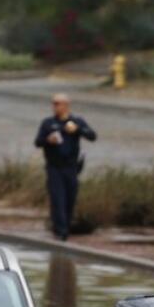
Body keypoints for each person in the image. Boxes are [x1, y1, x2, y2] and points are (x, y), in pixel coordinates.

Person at [33, 93, 97, 242]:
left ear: (66, 105)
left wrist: (77, 130)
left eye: (58, 104)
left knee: (70, 198)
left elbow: (92, 136)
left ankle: (66, 226)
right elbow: (38, 142)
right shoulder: (48, 123)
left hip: (71, 167)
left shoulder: (76, 122)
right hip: (54, 167)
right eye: (53, 103)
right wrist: (48, 140)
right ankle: (60, 231)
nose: (55, 107)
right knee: (57, 198)